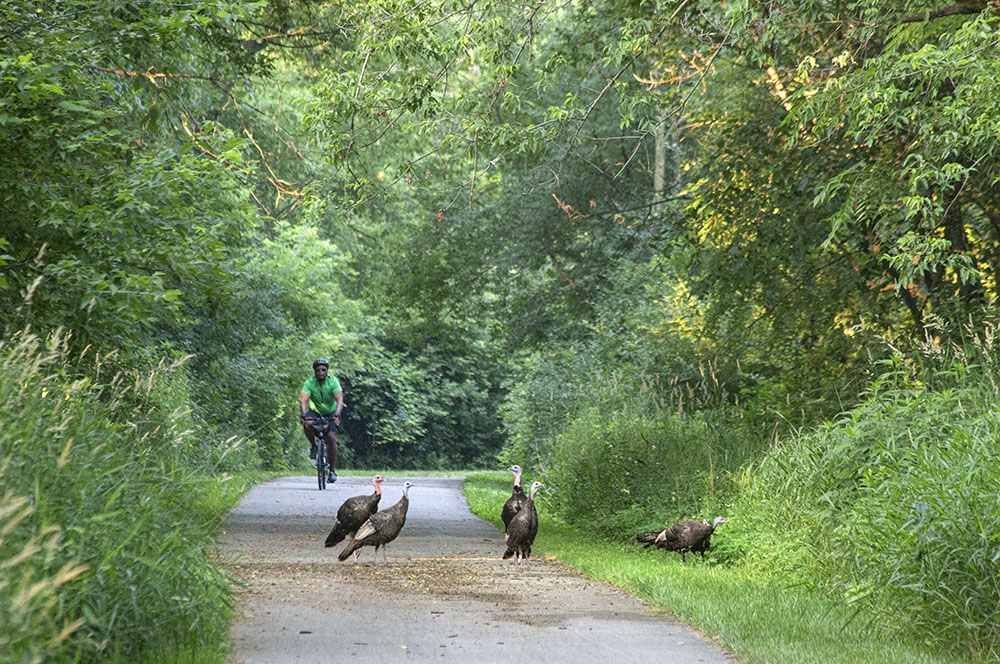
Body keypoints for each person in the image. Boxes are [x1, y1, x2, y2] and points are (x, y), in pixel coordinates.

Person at [300, 358, 343, 483]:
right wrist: (303, 413)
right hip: (315, 411)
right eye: (318, 370)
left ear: (327, 371)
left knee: (331, 438)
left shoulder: (333, 381)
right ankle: (313, 446)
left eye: (323, 370)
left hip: (331, 412)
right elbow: (304, 399)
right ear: (314, 371)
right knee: (307, 423)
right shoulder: (310, 382)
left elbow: (339, 399)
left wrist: (337, 414)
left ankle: (332, 471)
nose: (320, 372)